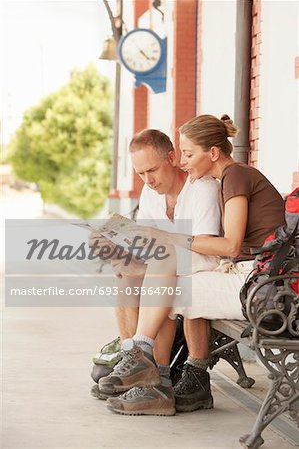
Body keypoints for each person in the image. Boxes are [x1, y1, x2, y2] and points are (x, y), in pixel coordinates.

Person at [99, 115, 285, 415]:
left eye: (187, 154)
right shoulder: (229, 177)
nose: (182, 162)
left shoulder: (230, 178)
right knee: (153, 275)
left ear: (212, 153)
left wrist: (167, 238)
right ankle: (147, 369)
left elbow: (231, 246)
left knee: (167, 279)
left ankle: (148, 369)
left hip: (260, 284)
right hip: (254, 276)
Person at [91, 129, 221, 415]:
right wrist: (119, 243)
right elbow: (147, 240)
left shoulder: (202, 189)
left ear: (172, 158)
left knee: (161, 276)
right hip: (168, 264)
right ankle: (136, 365)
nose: (148, 180)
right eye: (140, 174)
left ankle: (150, 372)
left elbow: (207, 245)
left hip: (205, 262)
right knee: (126, 269)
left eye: (152, 170)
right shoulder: (151, 194)